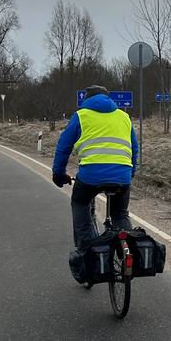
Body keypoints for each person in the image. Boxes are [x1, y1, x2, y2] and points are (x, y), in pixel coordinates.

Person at [51, 85, 138, 248]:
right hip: (122, 176)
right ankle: (130, 251)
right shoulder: (123, 117)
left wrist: (58, 174)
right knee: (119, 213)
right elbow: (134, 148)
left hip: (90, 177)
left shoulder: (81, 116)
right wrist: (130, 173)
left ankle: (88, 249)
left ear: (86, 100)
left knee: (80, 203)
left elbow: (64, 146)